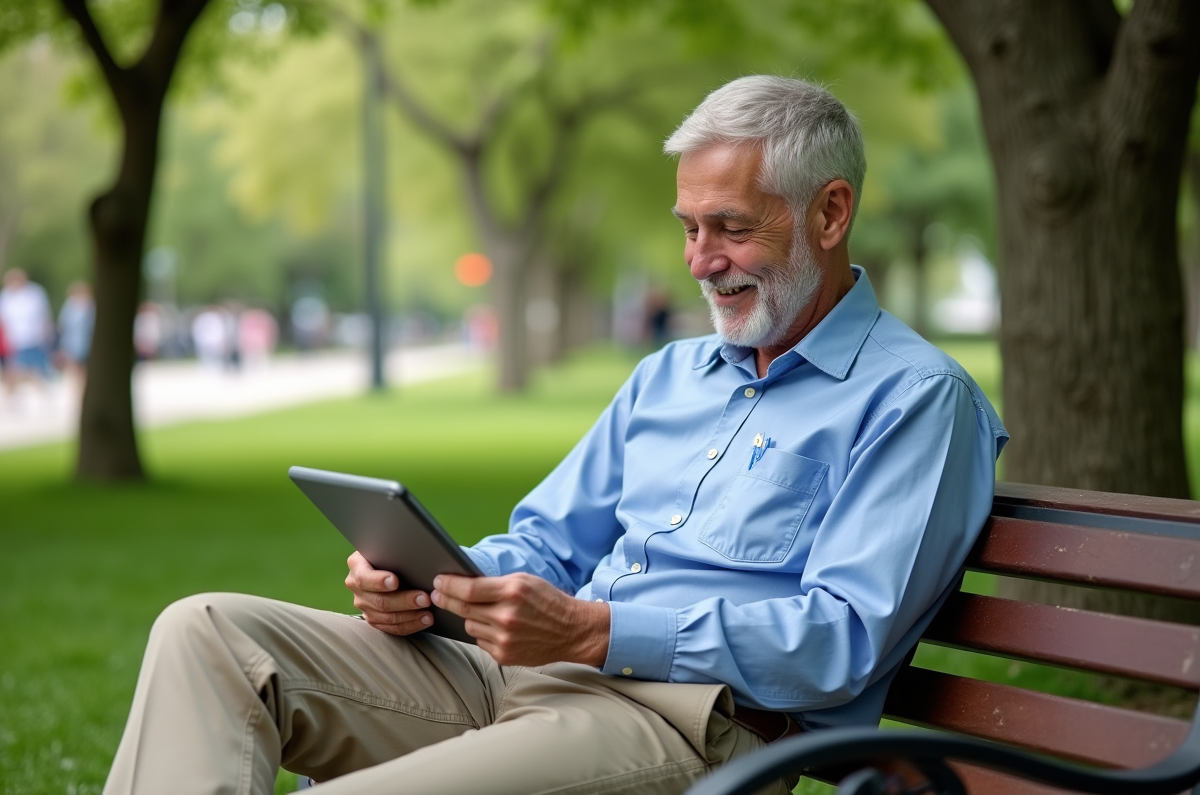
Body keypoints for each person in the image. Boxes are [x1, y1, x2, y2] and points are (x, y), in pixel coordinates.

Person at [102, 76, 1007, 795]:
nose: (700, 260)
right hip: (518, 679)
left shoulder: (917, 400)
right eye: (690, 228)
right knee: (211, 634)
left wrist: (599, 632)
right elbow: (542, 543)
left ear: (830, 213)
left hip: (702, 733)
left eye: (731, 227)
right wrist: (437, 585)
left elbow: (839, 642)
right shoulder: (669, 377)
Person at [0, 268, 54, 399]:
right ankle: (12, 396)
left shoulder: (35, 293)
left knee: (34, 368)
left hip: (33, 337)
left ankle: (43, 393)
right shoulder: (6, 295)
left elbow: (44, 315)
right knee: (12, 369)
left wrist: (47, 333)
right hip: (13, 339)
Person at [57, 280, 95, 385]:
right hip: (72, 342)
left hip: (87, 342)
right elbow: (64, 325)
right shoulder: (69, 306)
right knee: (74, 368)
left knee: (85, 367)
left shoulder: (91, 306)